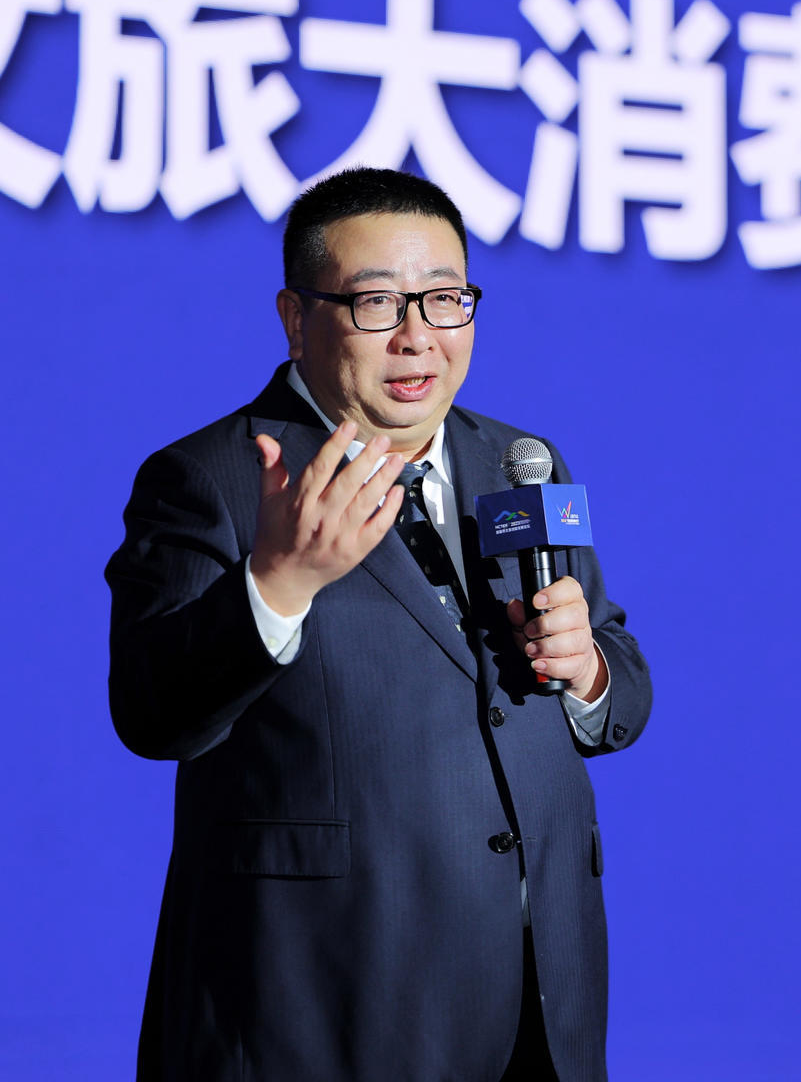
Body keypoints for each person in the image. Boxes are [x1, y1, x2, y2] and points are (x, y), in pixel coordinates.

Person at [105, 167, 652, 1082]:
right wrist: (278, 583)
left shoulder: (520, 462)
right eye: (376, 304)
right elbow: (153, 714)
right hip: (319, 1001)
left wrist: (586, 669)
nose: (417, 336)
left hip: (537, 994)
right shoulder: (212, 478)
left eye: (445, 299)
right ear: (296, 317)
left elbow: (620, 682)